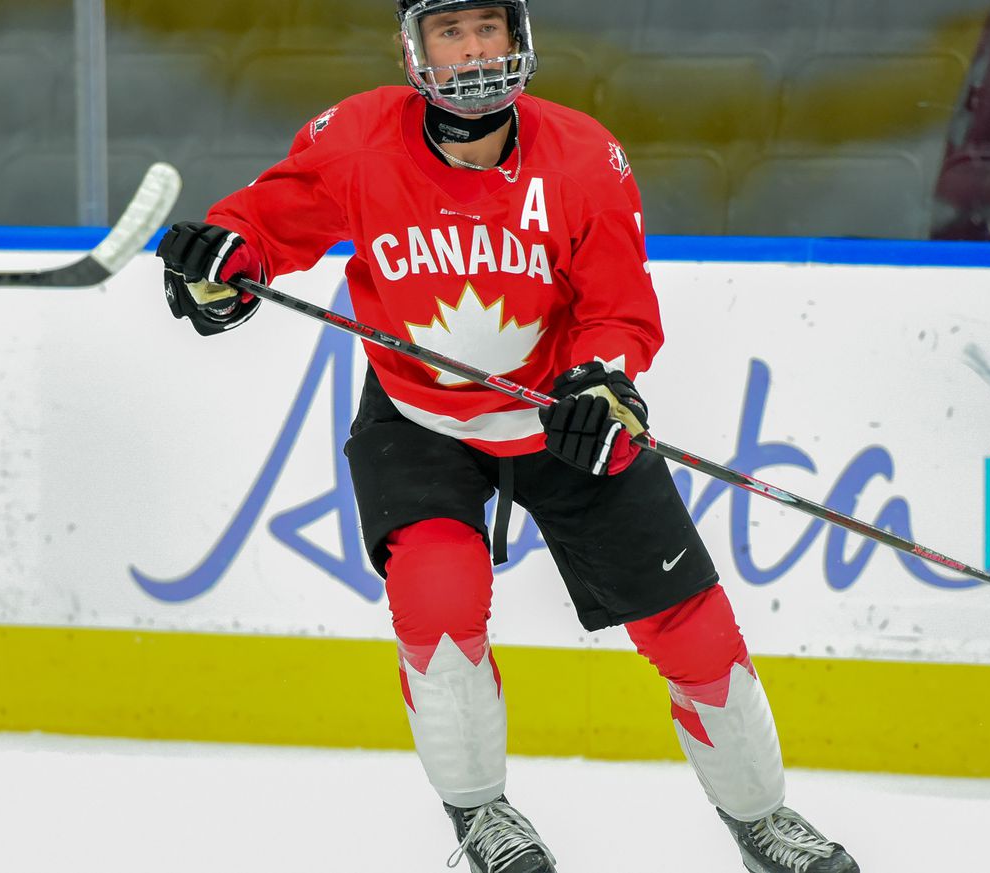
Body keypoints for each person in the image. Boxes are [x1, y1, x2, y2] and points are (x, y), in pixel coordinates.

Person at [155, 2, 859, 870]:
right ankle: (482, 818)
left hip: (563, 417)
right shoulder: (358, 138)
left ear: (520, 40)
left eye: (490, 27)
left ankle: (761, 820)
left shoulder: (583, 156)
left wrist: (603, 382)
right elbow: (266, 225)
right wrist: (222, 265)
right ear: (415, 50)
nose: (475, 49)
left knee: (693, 628)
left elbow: (618, 306)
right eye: (452, 32)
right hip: (418, 420)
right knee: (438, 606)